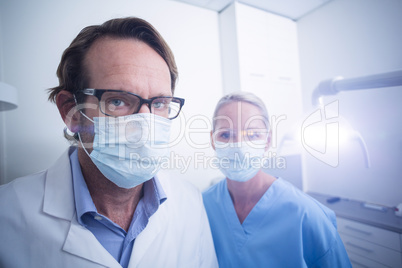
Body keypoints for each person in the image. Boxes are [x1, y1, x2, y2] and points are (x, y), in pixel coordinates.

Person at [0, 17, 217, 268]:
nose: (144, 126)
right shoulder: (7, 214)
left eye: (159, 104)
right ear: (71, 111)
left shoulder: (189, 201)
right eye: (118, 101)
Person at [203, 91, 351, 267]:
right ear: (213, 140)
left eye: (252, 135)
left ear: (268, 140)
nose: (239, 148)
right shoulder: (203, 206)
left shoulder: (306, 214)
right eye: (226, 135)